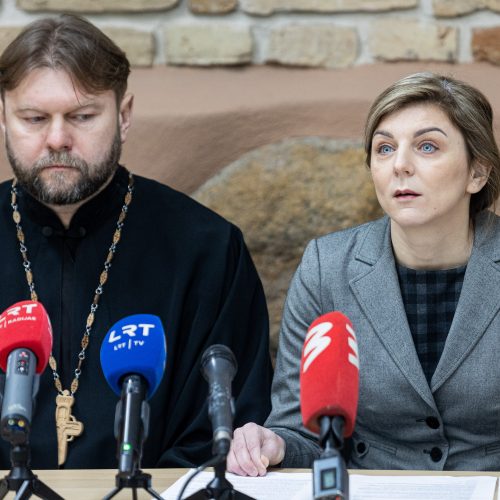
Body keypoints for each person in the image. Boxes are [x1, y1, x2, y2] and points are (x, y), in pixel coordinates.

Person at [0, 14, 272, 469]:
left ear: (123, 116)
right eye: (33, 118)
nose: (57, 138)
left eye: (83, 116)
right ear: (4, 118)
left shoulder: (205, 248)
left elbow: (224, 434)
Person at [227, 72, 500, 474]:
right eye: (385, 148)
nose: (400, 166)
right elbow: (303, 433)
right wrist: (275, 444)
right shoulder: (327, 267)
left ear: (477, 172)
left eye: (427, 146)